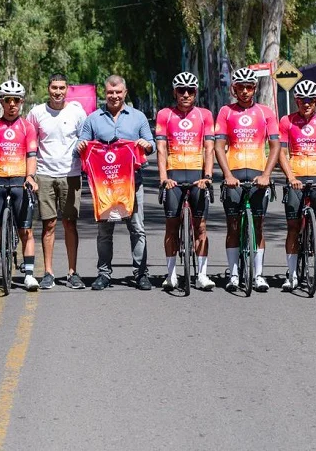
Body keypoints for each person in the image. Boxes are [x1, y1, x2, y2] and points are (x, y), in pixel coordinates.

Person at [77, 75, 155, 291]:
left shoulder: (138, 117)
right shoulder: (92, 119)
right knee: (104, 232)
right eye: (110, 92)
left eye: (118, 92)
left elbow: (151, 145)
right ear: (105, 93)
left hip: (132, 183)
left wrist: (145, 145)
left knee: (137, 229)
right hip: (104, 186)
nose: (114, 96)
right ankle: (103, 274)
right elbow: (79, 146)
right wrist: (81, 145)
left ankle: (141, 274)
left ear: (125, 92)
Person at [214, 67, 280, 292]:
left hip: (258, 174)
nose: (244, 91)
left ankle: (259, 275)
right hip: (233, 175)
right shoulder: (225, 112)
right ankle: (233, 275)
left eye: (248, 87)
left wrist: (267, 175)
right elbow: (219, 146)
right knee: (232, 227)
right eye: (240, 87)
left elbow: (275, 146)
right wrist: (227, 175)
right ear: (234, 89)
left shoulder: (265, 112)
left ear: (255, 88)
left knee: (259, 227)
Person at [0, 80, 40, 292]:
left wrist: (30, 176)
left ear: (21, 102)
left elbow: (31, 156)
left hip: (21, 181)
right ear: (1, 101)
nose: (12, 104)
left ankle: (29, 275)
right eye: (8, 100)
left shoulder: (27, 128)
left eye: (16, 100)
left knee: (26, 231)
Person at [26, 73, 87, 289]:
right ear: (48, 88)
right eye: (54, 87)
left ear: (67, 89)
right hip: (44, 174)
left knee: (70, 224)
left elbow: (85, 139)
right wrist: (29, 174)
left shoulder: (77, 113)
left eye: (61, 87)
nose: (58, 92)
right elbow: (30, 144)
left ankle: (72, 272)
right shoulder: (36, 113)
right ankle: (48, 273)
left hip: (71, 174)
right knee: (48, 224)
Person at [157, 72, 216, 291]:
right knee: (171, 227)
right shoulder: (165, 114)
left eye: (190, 90)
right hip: (173, 175)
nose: (185, 94)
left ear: (195, 92)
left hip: (196, 176)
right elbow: (161, 149)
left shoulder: (205, 115)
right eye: (181, 90)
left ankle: (202, 274)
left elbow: (209, 148)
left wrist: (207, 177)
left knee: (200, 227)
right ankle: (171, 275)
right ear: (174, 92)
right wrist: (163, 178)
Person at [278, 80, 316, 292]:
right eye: (303, 100)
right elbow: (281, 153)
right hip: (295, 178)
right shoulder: (287, 121)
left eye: (311, 100)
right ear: (296, 101)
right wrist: (290, 177)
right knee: (293, 227)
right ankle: (292, 275)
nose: (307, 104)